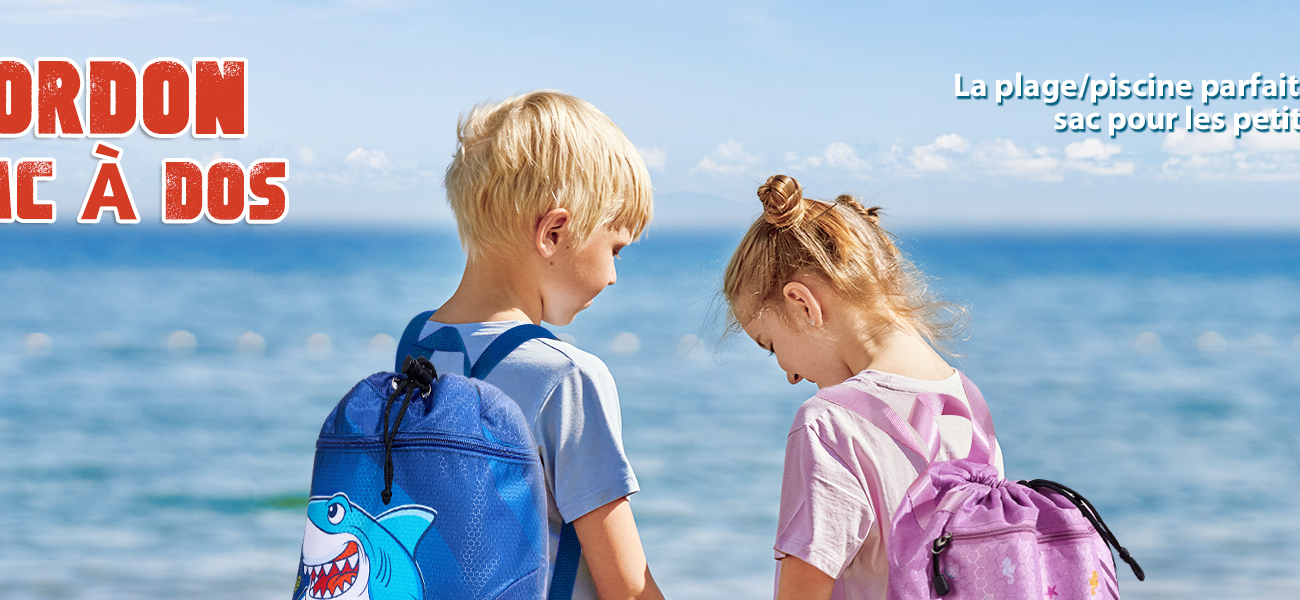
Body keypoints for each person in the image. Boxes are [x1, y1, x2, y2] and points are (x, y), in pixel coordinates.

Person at [415, 90, 665, 600]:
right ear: (553, 231)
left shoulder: (416, 346)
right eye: (615, 248)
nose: (614, 275)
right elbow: (627, 588)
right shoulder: (567, 377)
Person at [721, 175, 1004, 600]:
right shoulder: (970, 408)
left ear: (802, 304)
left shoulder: (828, 422)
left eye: (771, 345)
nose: (790, 375)